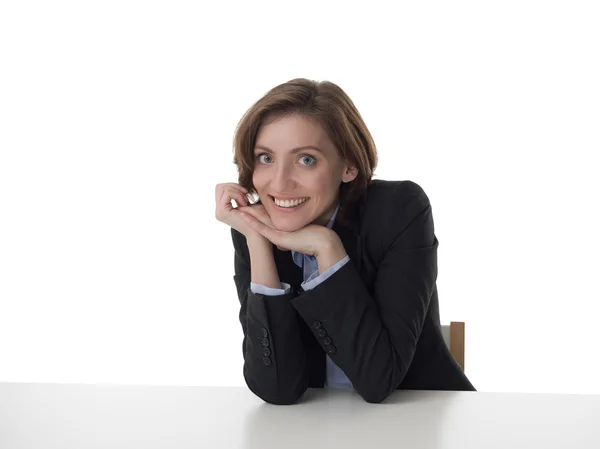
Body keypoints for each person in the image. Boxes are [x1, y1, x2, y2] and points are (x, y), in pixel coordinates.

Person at [215, 78, 475, 405]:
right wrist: (257, 239)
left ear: (348, 166)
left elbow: (378, 381)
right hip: (315, 427)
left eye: (306, 159)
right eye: (266, 158)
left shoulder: (399, 210)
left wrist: (328, 249)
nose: (279, 183)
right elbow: (275, 389)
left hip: (419, 419)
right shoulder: (254, 225)